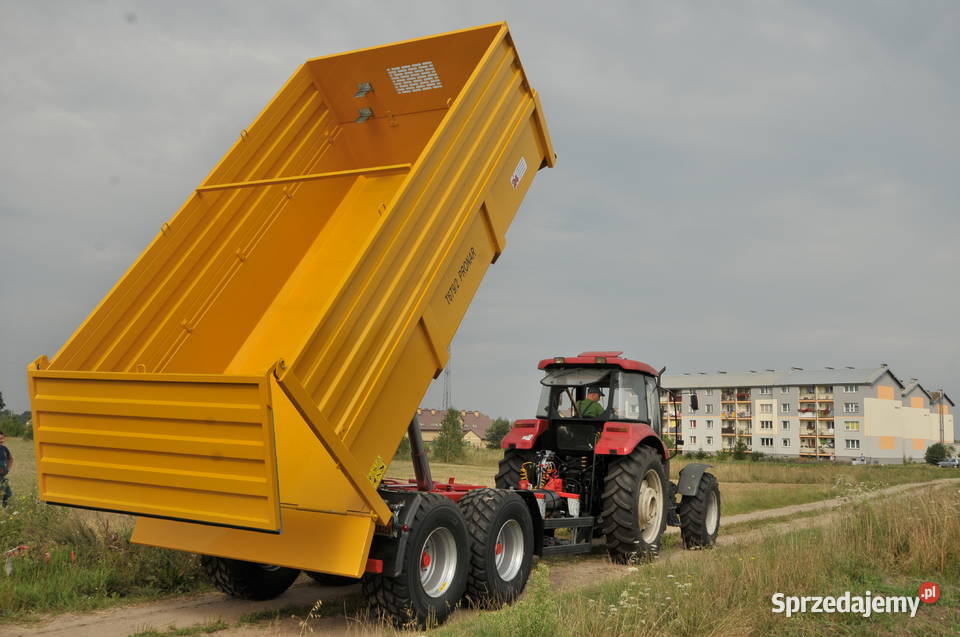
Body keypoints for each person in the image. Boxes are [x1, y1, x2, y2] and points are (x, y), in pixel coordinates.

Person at [0, 431, 12, 508]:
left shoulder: (4, 449)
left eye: (2, 438)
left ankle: (5, 510)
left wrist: (8, 469)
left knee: (6, 493)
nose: (2, 440)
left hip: (2, 476)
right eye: (0, 439)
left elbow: (10, 458)